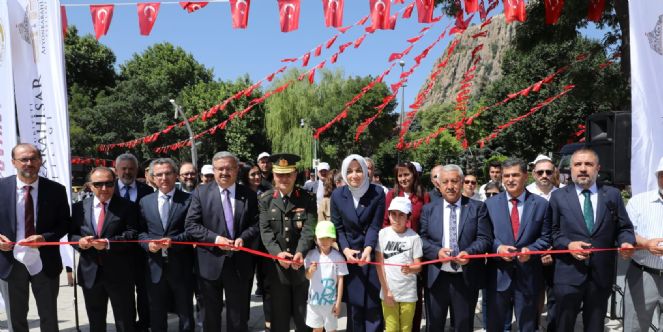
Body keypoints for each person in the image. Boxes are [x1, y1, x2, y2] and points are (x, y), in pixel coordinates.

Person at [550, 148, 635, 332]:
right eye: (577, 164)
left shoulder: (611, 194)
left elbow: (624, 228)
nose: (582, 169)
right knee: (563, 325)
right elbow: (553, 233)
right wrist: (569, 245)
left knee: (595, 326)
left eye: (588, 164)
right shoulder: (558, 197)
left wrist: (626, 242)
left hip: (600, 275)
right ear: (570, 169)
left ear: (598, 168)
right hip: (568, 275)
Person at [185, 151, 259, 332]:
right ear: (214, 170)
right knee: (210, 315)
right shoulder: (200, 193)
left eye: (229, 168)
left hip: (239, 264)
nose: (224, 172)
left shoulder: (248, 194)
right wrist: (215, 239)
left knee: (238, 316)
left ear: (236, 170)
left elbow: (257, 224)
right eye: (220, 169)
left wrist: (243, 238)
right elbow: (191, 225)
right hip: (209, 264)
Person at [0, 143, 70, 332]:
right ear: (14, 162)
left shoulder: (56, 190)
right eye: (23, 159)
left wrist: (45, 238)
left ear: (40, 161)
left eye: (33, 158)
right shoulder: (1, 188)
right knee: (16, 317)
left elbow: (65, 223)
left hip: (45, 261)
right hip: (10, 262)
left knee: (49, 316)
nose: (29, 163)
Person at [419, 164, 492, 332]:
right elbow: (420, 239)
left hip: (465, 278)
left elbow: (485, 238)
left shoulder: (477, 207)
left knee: (463, 326)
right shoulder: (429, 209)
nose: (450, 186)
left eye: (454, 181)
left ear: (461, 182)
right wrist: (436, 251)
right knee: (434, 326)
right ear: (439, 184)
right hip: (437, 277)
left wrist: (469, 253)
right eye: (445, 182)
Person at [484, 159, 552, 332]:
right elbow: (485, 236)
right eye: (506, 175)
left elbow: (546, 237)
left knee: (528, 325)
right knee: (496, 325)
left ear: (525, 176)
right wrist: (498, 248)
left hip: (528, 276)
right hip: (498, 276)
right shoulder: (490, 204)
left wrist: (532, 250)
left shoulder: (541, 205)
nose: (510, 179)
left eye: (515, 175)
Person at [69, 166, 139, 332]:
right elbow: (71, 235)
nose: (104, 188)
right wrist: (80, 242)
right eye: (99, 184)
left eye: (109, 183)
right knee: (96, 322)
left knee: (126, 321)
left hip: (120, 273)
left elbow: (133, 234)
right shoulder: (79, 208)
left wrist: (109, 243)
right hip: (90, 273)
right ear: (90, 185)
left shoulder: (127, 206)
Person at [259, 153, 317, 332]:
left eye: (288, 174)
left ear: (295, 174)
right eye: (279, 174)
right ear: (274, 175)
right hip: (277, 268)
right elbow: (266, 231)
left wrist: (300, 252)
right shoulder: (266, 199)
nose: (284, 179)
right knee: (279, 317)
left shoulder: (307, 198)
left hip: (302, 266)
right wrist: (278, 254)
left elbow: (309, 228)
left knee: (303, 316)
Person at [138, 159, 194, 332]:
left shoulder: (189, 200)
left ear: (176, 175)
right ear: (152, 178)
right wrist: (148, 245)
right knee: (156, 311)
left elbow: (193, 230)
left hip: (182, 264)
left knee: (185, 311)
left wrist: (174, 242)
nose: (164, 178)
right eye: (159, 174)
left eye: (168, 173)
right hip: (154, 265)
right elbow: (140, 232)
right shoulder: (145, 202)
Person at [331, 154, 385, 332]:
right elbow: (338, 227)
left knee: (373, 306)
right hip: (349, 255)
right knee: (354, 309)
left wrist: (368, 249)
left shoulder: (377, 193)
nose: (355, 175)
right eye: (350, 171)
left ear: (366, 171)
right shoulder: (338, 195)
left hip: (370, 253)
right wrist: (345, 250)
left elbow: (374, 225)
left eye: (359, 170)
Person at [114, 153, 154, 331]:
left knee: (144, 292)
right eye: (124, 168)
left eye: (131, 168)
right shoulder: (109, 189)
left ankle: (144, 324)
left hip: (142, 252)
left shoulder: (147, 191)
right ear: (116, 170)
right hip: (117, 252)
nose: (127, 172)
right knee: (124, 294)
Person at [623, 156, 663, 331]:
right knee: (635, 327)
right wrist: (646, 243)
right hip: (644, 274)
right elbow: (626, 231)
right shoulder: (639, 201)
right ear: (658, 177)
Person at [376, 197, 423, 332]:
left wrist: (411, 269)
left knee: (406, 328)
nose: (397, 218)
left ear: (408, 217)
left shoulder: (414, 237)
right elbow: (379, 264)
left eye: (401, 214)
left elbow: (418, 266)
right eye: (393, 214)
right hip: (389, 292)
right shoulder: (383, 234)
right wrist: (386, 291)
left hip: (408, 293)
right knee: (391, 328)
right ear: (389, 215)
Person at [526, 154, 558, 331]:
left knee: (554, 296)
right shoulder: (526, 194)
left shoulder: (562, 194)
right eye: (540, 172)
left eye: (548, 172)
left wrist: (551, 250)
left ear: (554, 173)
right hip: (531, 254)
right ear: (533, 173)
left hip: (556, 254)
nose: (544, 175)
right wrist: (539, 250)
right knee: (533, 296)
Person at [304, 220, 348, 332]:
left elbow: (341, 281)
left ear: (333, 239)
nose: (325, 241)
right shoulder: (310, 255)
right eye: (321, 238)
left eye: (328, 238)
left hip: (330, 303)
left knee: (331, 329)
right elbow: (307, 277)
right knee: (317, 328)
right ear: (315, 239)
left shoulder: (338, 257)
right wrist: (311, 270)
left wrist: (338, 303)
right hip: (314, 302)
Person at [384, 162, 430, 232]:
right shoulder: (392, 194)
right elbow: (385, 220)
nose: (403, 179)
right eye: (400, 176)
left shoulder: (424, 195)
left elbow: (427, 222)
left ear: (414, 175)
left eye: (406, 175)